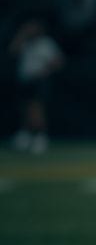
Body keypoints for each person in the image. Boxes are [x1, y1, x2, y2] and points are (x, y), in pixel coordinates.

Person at [9, 18, 64, 154]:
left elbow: (59, 61)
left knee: (36, 110)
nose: (30, 29)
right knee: (24, 109)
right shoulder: (26, 42)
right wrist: (22, 35)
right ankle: (26, 136)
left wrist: (45, 71)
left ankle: (40, 138)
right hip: (25, 80)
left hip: (39, 81)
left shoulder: (46, 43)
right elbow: (13, 51)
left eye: (32, 27)